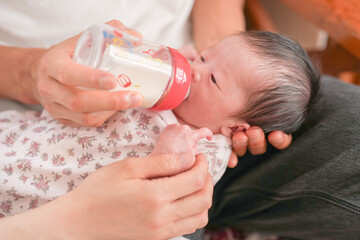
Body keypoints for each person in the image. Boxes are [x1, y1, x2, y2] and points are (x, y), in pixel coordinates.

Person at [0, 0, 294, 239]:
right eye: (203, 58)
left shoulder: (205, 146)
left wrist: (171, 148)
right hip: (42, 132)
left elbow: (165, 192)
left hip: (72, 189)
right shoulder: (180, 77)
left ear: (234, 127)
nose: (194, 70)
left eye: (213, 79)